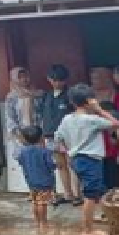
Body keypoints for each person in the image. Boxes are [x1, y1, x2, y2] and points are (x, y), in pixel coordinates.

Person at [54, 84, 119, 235]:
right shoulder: (92, 119)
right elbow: (117, 124)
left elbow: (58, 138)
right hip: (90, 160)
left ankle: (91, 221)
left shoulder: (67, 119)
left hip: (77, 159)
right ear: (89, 102)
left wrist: (70, 150)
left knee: (95, 192)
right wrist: (99, 110)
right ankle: (87, 230)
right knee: (91, 195)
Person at [39, 64, 79, 205]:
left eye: (60, 80)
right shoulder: (46, 96)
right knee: (60, 165)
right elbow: (43, 116)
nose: (57, 83)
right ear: (49, 79)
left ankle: (77, 194)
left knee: (72, 164)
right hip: (51, 135)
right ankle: (67, 194)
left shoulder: (70, 95)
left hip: (69, 135)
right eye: (54, 80)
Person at [17, 125, 57, 231]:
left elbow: (21, 162)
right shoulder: (45, 151)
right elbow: (51, 165)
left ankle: (36, 221)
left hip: (31, 181)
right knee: (42, 203)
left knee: (35, 202)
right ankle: (43, 223)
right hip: (44, 182)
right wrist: (56, 165)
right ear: (41, 137)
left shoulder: (23, 152)